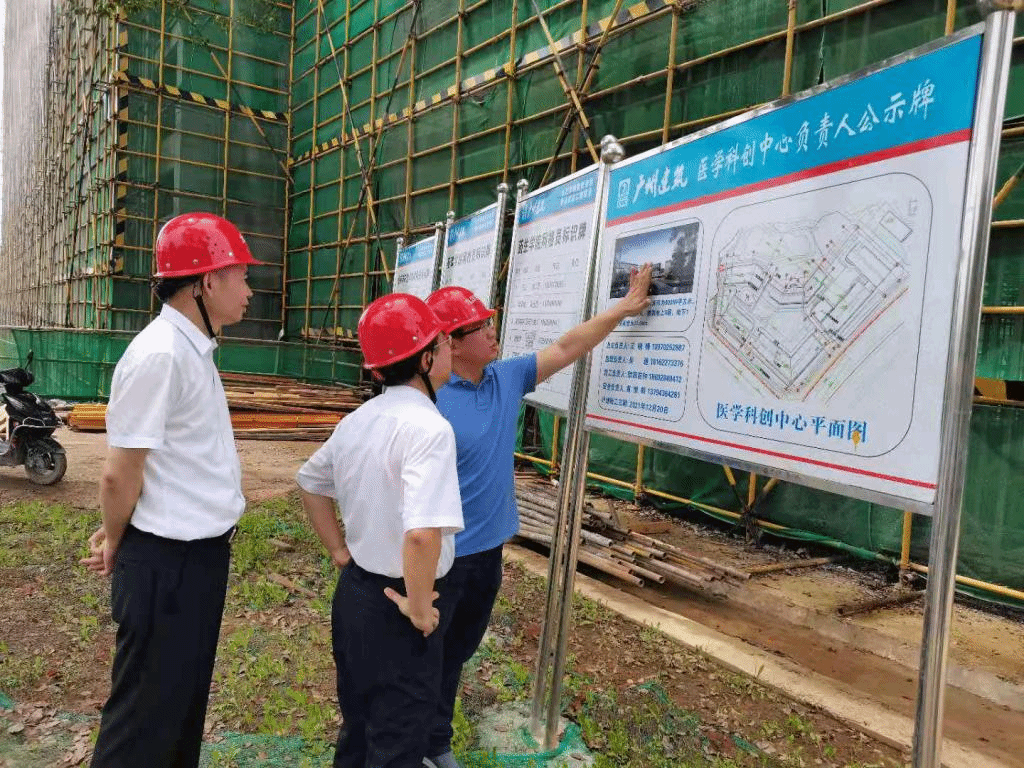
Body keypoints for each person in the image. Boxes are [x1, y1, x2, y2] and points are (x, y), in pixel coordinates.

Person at [422, 264, 652, 768]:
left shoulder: (505, 378)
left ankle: (434, 741)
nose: (492, 332)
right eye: (480, 327)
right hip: (441, 556)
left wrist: (622, 309)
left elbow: (568, 347)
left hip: (489, 551)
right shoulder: (429, 398)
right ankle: (413, 743)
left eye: (490, 323)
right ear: (452, 343)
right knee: (426, 653)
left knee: (457, 650)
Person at [79, 212, 262, 768]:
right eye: (240, 275)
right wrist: (116, 539)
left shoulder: (193, 349)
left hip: (197, 561)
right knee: (142, 724)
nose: (249, 290)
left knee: (179, 710)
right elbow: (119, 472)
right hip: (166, 565)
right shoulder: (160, 354)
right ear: (206, 282)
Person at [296, 293, 464, 768]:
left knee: (359, 724)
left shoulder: (357, 421)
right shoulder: (430, 429)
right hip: (401, 605)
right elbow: (422, 535)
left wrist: (339, 551)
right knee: (399, 738)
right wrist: (419, 607)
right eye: (442, 343)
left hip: (357, 596)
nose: (449, 350)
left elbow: (310, 482)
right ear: (425, 359)